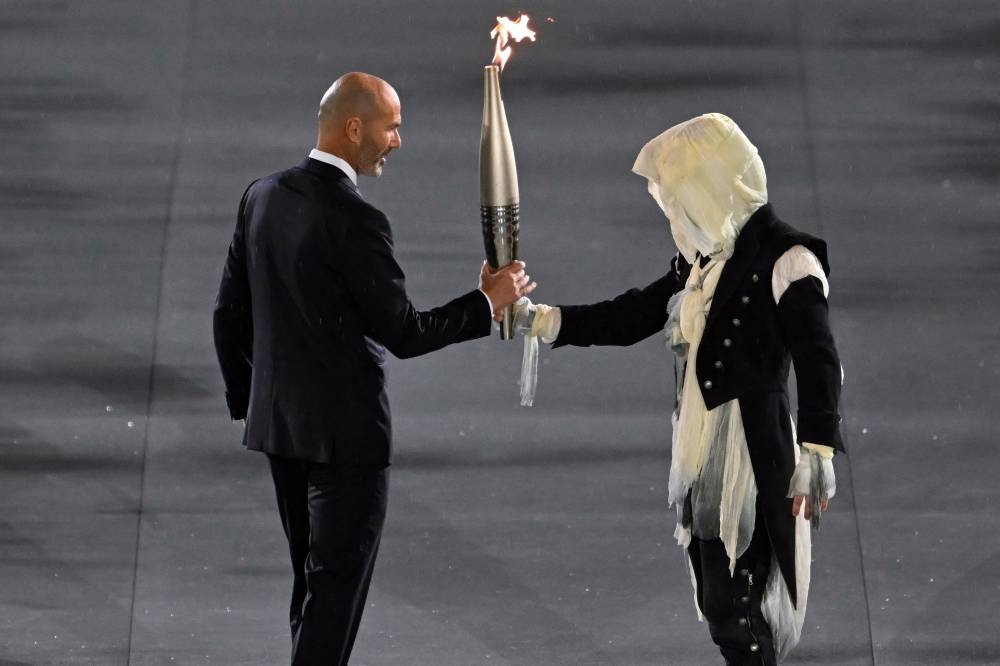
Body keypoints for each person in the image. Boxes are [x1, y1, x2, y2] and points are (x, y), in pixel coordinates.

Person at [212, 72, 535, 666]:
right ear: (354, 127)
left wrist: (252, 402)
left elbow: (227, 314)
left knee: (311, 591)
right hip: (347, 444)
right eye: (392, 127)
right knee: (333, 599)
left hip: (281, 433)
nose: (398, 140)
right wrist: (486, 304)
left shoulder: (261, 196)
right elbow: (405, 334)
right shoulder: (355, 220)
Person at [514, 113, 843, 665]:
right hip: (700, 444)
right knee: (719, 594)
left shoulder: (789, 259)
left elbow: (819, 358)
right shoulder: (703, 263)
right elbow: (630, 316)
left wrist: (817, 449)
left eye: (681, 199)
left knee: (740, 599)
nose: (676, 216)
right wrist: (545, 320)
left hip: (750, 452)